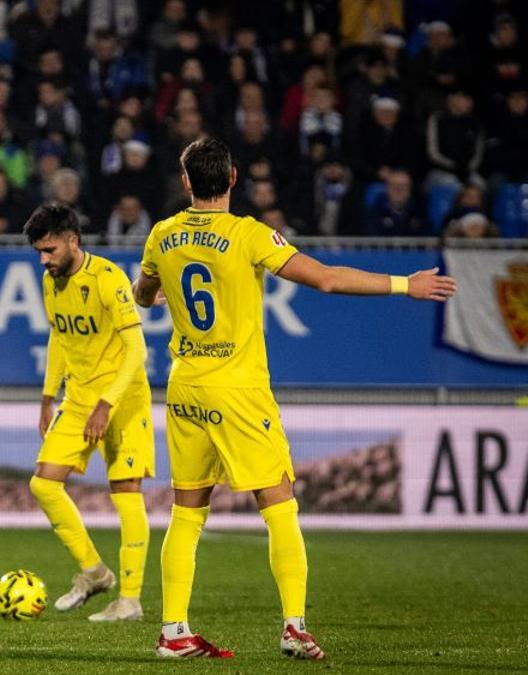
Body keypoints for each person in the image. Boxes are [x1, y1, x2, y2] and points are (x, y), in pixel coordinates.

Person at [132, 136, 456, 659]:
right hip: (237, 389)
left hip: (185, 386)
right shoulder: (249, 235)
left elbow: (143, 295)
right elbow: (326, 280)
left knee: (188, 510)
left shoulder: (162, 233)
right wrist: (403, 285)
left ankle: (173, 631)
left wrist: (159, 290)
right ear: (234, 179)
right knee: (278, 502)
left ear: (187, 181)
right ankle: (294, 626)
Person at [23, 203, 155, 622]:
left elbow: (137, 351)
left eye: (49, 250)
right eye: (39, 253)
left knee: (126, 492)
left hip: (124, 397)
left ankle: (130, 599)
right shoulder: (51, 281)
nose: (44, 260)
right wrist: (47, 397)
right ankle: (95, 572)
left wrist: (106, 404)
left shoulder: (108, 278)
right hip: (79, 399)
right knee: (44, 484)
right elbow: (60, 337)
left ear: (72, 241)